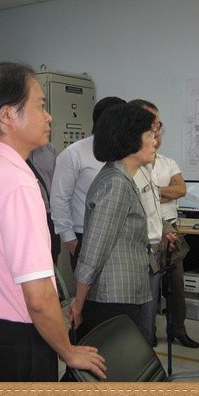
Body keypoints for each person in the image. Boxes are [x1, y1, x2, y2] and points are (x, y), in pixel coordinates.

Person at [0, 61, 106, 382]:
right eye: (41, 106)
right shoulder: (16, 182)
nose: (49, 117)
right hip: (15, 342)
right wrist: (68, 350)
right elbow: (39, 296)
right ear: (8, 115)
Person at [67, 103, 157, 339]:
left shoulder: (120, 178)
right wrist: (78, 302)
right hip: (111, 298)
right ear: (130, 139)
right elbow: (94, 251)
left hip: (121, 294)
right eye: (149, 135)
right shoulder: (115, 183)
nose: (155, 141)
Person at [129, 99, 199, 349]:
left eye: (158, 127)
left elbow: (181, 190)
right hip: (145, 231)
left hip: (169, 228)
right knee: (149, 287)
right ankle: (147, 334)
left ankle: (178, 329)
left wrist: (154, 191)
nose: (156, 132)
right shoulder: (133, 164)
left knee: (176, 283)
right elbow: (139, 197)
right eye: (152, 127)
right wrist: (161, 192)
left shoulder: (167, 162)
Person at [50, 96, 126, 271]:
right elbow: (59, 199)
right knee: (88, 289)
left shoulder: (125, 153)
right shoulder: (73, 154)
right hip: (86, 236)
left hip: (120, 237)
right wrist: (71, 242)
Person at [27, 143, 61, 264]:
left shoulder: (50, 150)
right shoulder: (13, 151)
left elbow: (58, 183)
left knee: (51, 257)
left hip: (48, 215)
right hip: (27, 216)